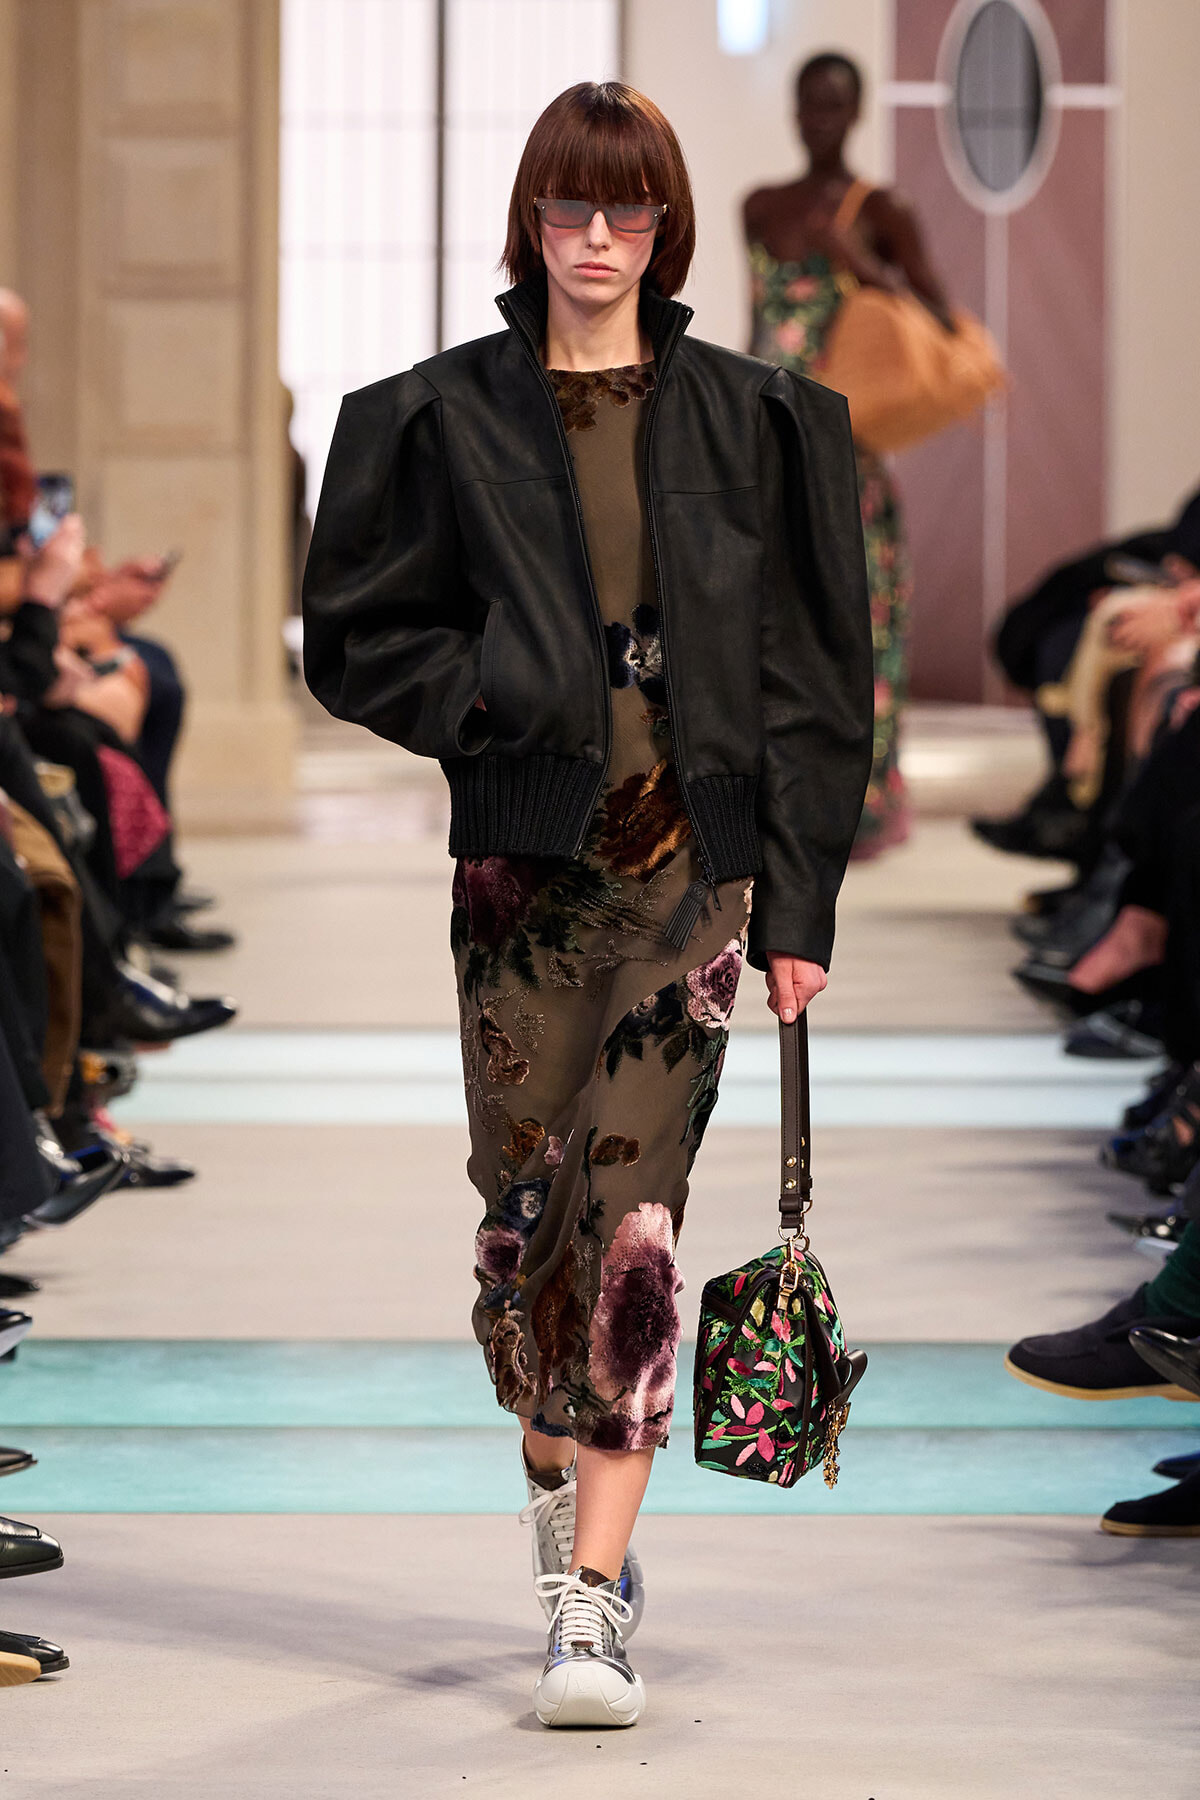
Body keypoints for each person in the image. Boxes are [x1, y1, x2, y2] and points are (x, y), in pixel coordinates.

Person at [303, 80, 872, 1728]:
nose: (603, 238)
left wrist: (802, 908)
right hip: (520, 882)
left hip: (694, 876)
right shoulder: (436, 418)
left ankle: (593, 1600)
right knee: (518, 1223)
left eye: (630, 211)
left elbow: (822, 683)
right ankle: (559, 1472)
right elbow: (354, 635)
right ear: (532, 224)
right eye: (573, 209)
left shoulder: (769, 422)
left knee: (633, 1230)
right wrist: (494, 690)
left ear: (669, 225)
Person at [744, 51, 953, 858]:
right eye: (806, 105)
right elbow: (758, 325)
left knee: (860, 629)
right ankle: (775, 798)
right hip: (768, 445)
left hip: (849, 457)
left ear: (856, 112)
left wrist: (863, 266)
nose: (817, 121)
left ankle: (862, 804)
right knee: (766, 622)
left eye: (832, 107)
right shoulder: (760, 207)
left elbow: (941, 323)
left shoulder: (881, 208)